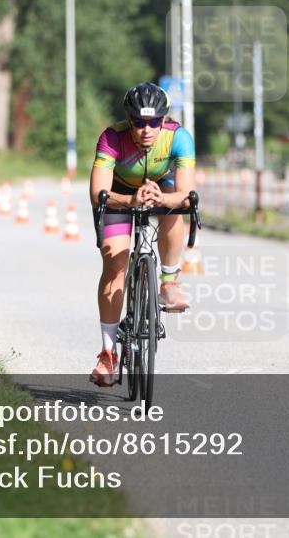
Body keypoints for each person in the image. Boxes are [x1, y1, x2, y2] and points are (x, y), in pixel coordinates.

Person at [88, 82, 196, 387]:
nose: (146, 129)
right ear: (128, 119)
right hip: (120, 193)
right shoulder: (111, 138)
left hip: (164, 186)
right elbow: (99, 193)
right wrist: (132, 200)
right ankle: (108, 354)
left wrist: (163, 200)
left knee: (175, 208)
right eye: (138, 122)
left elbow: (187, 194)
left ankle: (169, 282)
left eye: (153, 122)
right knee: (114, 264)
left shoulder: (179, 137)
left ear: (164, 120)